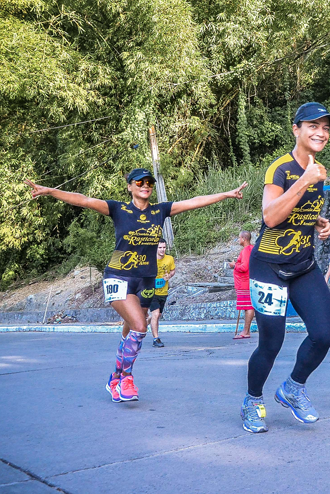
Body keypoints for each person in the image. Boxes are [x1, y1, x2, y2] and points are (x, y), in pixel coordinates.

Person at [26, 169, 247, 403]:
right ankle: (126, 379)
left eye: (149, 181)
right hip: (119, 277)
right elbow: (84, 200)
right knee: (140, 326)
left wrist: (225, 194)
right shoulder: (118, 209)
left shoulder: (159, 211)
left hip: (147, 279)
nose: (146, 185)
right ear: (130, 187)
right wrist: (51, 191)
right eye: (139, 182)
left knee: (132, 330)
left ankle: (114, 378)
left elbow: (193, 202)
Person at [241, 102, 330, 434]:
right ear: (296, 129)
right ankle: (253, 401)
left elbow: (299, 211)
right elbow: (270, 216)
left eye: (325, 128)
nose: (320, 132)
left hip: (303, 265)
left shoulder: (318, 171)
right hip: (268, 266)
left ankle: (293, 387)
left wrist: (319, 223)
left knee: (324, 333)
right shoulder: (280, 169)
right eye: (313, 126)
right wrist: (306, 179)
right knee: (272, 341)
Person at [149, 242, 175, 347]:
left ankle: (141, 325)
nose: (162, 250)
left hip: (163, 292)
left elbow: (173, 270)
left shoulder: (169, 259)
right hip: (152, 292)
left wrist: (169, 275)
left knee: (158, 315)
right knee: (155, 314)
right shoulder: (150, 260)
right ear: (156, 248)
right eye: (160, 247)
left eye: (164, 247)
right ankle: (156, 339)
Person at [230, 230, 254, 339]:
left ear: (244, 239)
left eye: (239, 238)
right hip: (246, 282)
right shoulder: (251, 249)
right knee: (247, 306)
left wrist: (234, 265)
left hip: (244, 282)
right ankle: (246, 330)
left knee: (248, 306)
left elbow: (244, 267)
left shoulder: (246, 251)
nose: (238, 240)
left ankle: (246, 331)